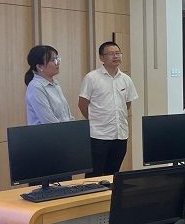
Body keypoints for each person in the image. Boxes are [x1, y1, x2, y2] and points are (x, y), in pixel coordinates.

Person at [78, 41, 138, 176]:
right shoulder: (92, 78)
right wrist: (95, 120)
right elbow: (82, 104)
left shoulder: (126, 79)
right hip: (98, 135)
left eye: (118, 53)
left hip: (120, 134)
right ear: (101, 58)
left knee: (113, 174)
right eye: (111, 54)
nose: (116, 56)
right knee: (94, 175)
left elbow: (127, 103)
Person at [24, 45, 74, 125]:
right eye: (53, 60)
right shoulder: (35, 87)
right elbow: (49, 122)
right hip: (50, 132)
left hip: (64, 131)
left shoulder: (55, 83)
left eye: (57, 59)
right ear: (39, 66)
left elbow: (66, 115)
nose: (57, 63)